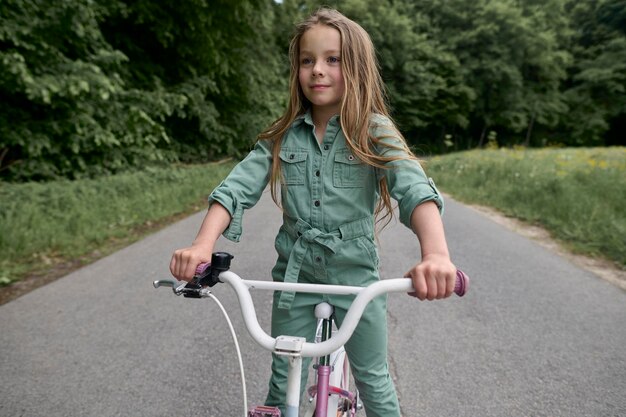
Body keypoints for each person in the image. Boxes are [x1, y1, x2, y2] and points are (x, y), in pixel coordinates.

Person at [170, 7, 457, 417]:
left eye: (332, 59)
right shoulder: (283, 134)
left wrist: (436, 255)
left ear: (355, 67)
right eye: (307, 60)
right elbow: (236, 187)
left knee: (374, 380)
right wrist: (202, 245)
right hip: (295, 277)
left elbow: (412, 188)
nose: (317, 70)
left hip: (356, 277)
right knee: (282, 381)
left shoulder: (373, 130)